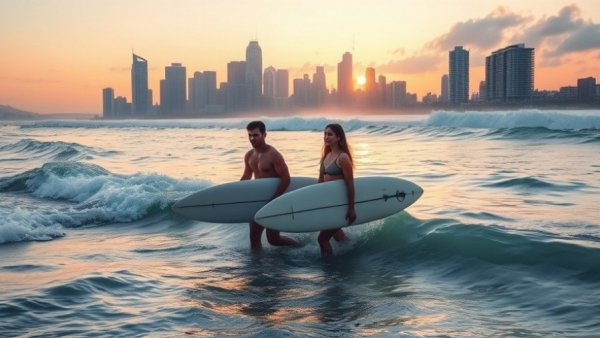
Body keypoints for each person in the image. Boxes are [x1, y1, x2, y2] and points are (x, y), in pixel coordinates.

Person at [241, 120, 299, 251]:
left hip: (273, 200)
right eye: (249, 135)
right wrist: (237, 194)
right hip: (258, 200)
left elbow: (286, 178)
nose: (252, 138)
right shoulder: (249, 155)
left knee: (273, 240)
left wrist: (274, 200)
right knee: (254, 237)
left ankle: (301, 247)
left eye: (255, 135)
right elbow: (246, 176)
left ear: (264, 135)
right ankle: (256, 267)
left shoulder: (273, 155)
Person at [317, 123, 356, 257]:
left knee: (322, 239)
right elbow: (319, 184)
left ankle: (328, 268)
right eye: (325, 134)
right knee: (337, 235)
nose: (326, 137)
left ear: (339, 137)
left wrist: (351, 208)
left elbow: (350, 184)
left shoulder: (343, 158)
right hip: (328, 205)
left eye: (330, 134)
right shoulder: (325, 157)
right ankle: (353, 252)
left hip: (339, 205)